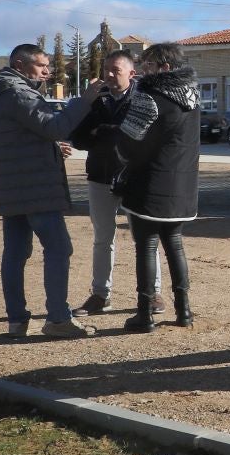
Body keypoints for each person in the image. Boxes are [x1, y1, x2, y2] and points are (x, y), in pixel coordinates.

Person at [0, 44, 102, 338]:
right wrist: (85, 100)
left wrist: (50, 147)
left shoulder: (0, 91)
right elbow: (55, 126)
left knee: (16, 252)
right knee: (59, 248)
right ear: (20, 64)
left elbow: (21, 135)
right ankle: (58, 319)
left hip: (12, 185)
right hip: (34, 186)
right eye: (42, 65)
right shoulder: (17, 93)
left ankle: (17, 321)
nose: (48, 71)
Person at [113, 43, 203, 332]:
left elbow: (127, 142)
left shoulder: (149, 96)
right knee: (175, 245)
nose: (142, 70)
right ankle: (184, 311)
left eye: (149, 65)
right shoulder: (193, 96)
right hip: (183, 185)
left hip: (149, 184)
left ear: (164, 67)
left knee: (146, 247)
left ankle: (145, 315)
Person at [69, 51, 162, 317]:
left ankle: (153, 293)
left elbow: (139, 138)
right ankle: (100, 295)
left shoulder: (144, 101)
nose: (109, 74)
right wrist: (103, 132)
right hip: (99, 176)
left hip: (134, 178)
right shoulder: (95, 100)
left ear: (132, 74)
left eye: (116, 69)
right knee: (102, 238)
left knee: (145, 239)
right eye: (106, 69)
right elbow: (78, 137)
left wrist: (105, 132)